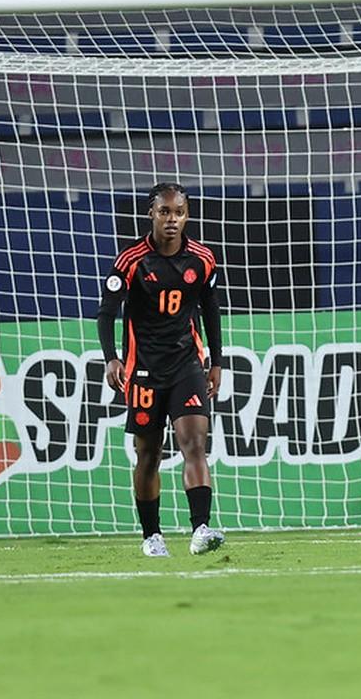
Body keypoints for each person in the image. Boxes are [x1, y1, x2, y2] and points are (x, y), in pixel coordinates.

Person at [97, 182, 226, 557]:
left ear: (187, 216)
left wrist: (216, 362)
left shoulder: (202, 259)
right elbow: (107, 313)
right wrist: (111, 357)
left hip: (187, 364)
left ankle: (201, 528)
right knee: (149, 455)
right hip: (143, 371)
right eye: (165, 211)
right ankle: (151, 536)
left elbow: (211, 311)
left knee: (195, 445)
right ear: (151, 214)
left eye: (179, 212)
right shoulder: (131, 260)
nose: (172, 219)